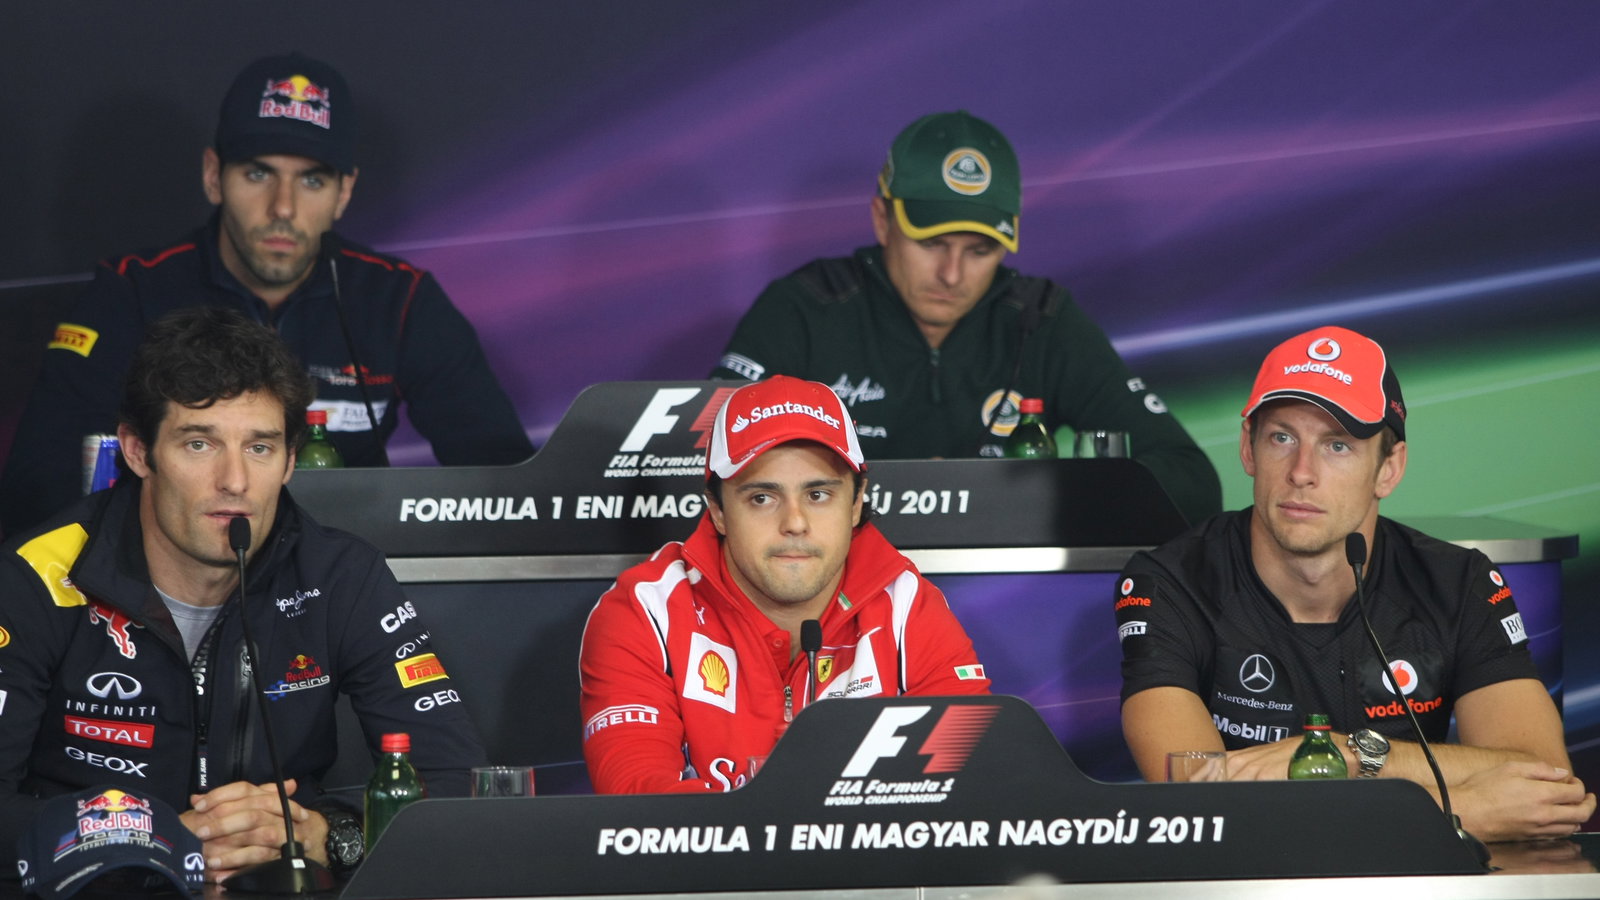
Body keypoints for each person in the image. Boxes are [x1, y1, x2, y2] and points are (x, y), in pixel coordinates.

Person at [0, 307, 486, 880]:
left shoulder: (340, 576)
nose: (234, 480)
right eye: (200, 444)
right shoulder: (36, 576)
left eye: (260, 447)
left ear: (289, 461)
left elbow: (458, 786)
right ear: (138, 452)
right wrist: (152, 841)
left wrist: (331, 833)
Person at [0, 52, 533, 537]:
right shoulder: (134, 291)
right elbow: (40, 481)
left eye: (311, 181)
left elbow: (507, 479)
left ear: (344, 192)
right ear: (214, 177)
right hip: (165, 589)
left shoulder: (398, 299)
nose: (282, 207)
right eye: (259, 173)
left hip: (347, 594)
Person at [1116, 325, 1594, 841]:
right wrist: (1457, 814)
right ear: (1248, 450)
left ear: (1389, 469)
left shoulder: (1457, 583)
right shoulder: (1169, 583)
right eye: (1282, 437)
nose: (1302, 472)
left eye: (1337, 445)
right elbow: (1199, 807)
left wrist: (1354, 755)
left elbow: (1547, 786)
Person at [711, 111, 1220, 525]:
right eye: (932, 243)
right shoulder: (804, 308)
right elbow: (700, 470)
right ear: (882, 220)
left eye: (980, 250)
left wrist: (1022, 495)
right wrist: (908, 491)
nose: (952, 274)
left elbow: (1192, 481)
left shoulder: (1040, 318)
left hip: (1003, 602)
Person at [580, 375, 991, 794]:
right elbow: (637, 804)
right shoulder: (646, 610)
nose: (794, 523)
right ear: (718, 511)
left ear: (856, 502)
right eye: (762, 497)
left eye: (818, 495)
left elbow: (971, 782)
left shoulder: (905, 604)